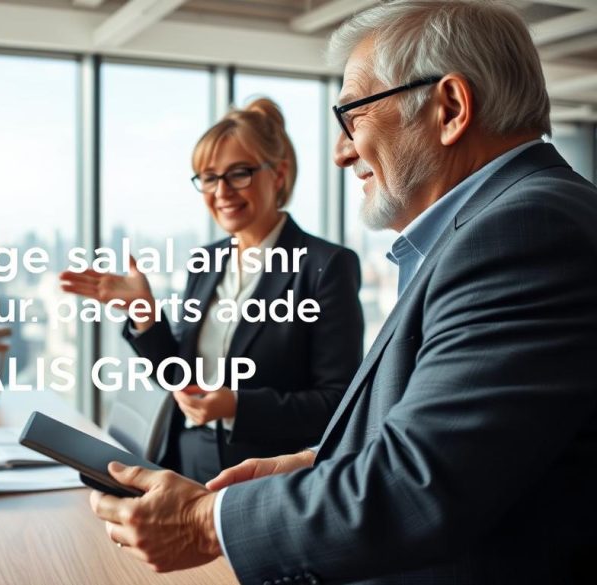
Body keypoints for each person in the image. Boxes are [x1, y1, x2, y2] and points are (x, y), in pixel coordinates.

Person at [87, 1, 597, 583]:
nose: (341, 150)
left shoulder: (525, 231)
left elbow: (422, 484)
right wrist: (317, 464)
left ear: (450, 108)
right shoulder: (487, 230)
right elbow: (450, 436)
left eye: (352, 113)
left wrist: (208, 522)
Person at [60, 99, 364, 484]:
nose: (221, 191)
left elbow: (338, 403)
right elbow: (178, 375)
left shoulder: (324, 266)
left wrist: (237, 405)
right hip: (187, 459)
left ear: (279, 174)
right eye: (207, 177)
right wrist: (144, 313)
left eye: (239, 173)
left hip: (265, 474)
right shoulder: (206, 261)